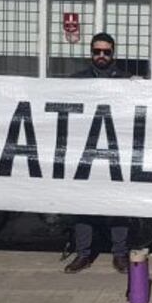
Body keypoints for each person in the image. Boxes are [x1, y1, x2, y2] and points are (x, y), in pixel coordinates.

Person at [64, 32, 134, 274]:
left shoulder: (126, 82)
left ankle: (120, 254)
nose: (101, 56)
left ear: (113, 53)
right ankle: (83, 254)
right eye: (97, 51)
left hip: (115, 153)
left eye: (106, 52)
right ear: (91, 52)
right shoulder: (75, 82)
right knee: (82, 205)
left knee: (118, 205)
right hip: (84, 153)